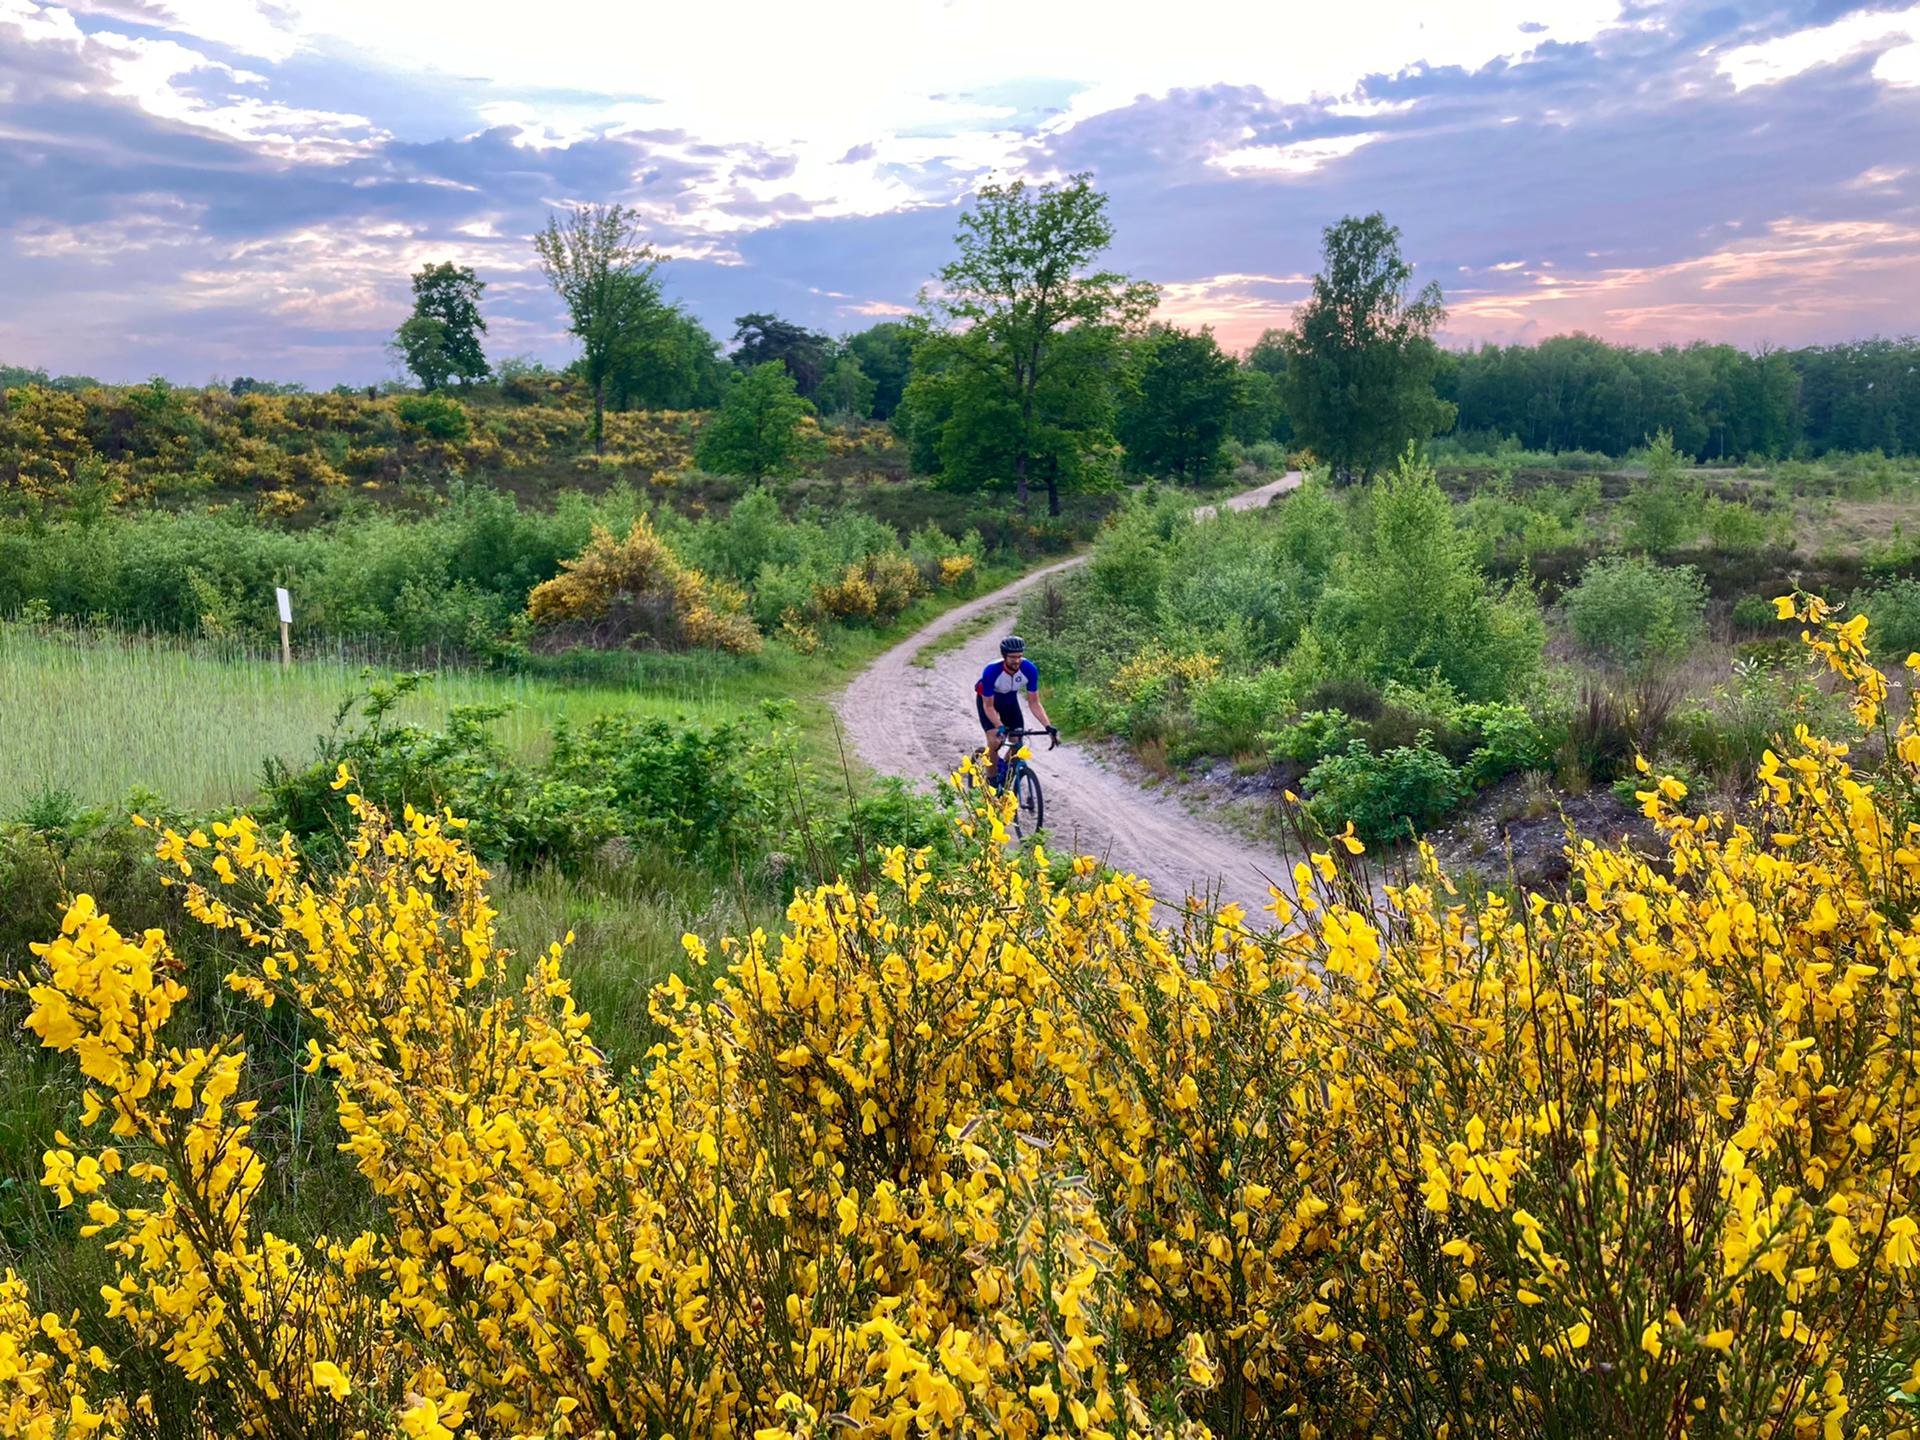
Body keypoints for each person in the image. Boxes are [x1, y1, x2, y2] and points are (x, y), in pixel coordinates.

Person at [974, 635, 1055, 783]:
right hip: (988, 702)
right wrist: (1000, 726)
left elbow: (1034, 703)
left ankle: (1004, 771)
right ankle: (991, 781)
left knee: (1017, 743)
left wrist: (1048, 726)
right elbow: (988, 706)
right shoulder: (992, 671)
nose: (1016, 661)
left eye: (1019, 656)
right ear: (1004, 656)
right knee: (994, 741)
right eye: (1012, 657)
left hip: (1009, 701)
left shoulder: (1029, 669)